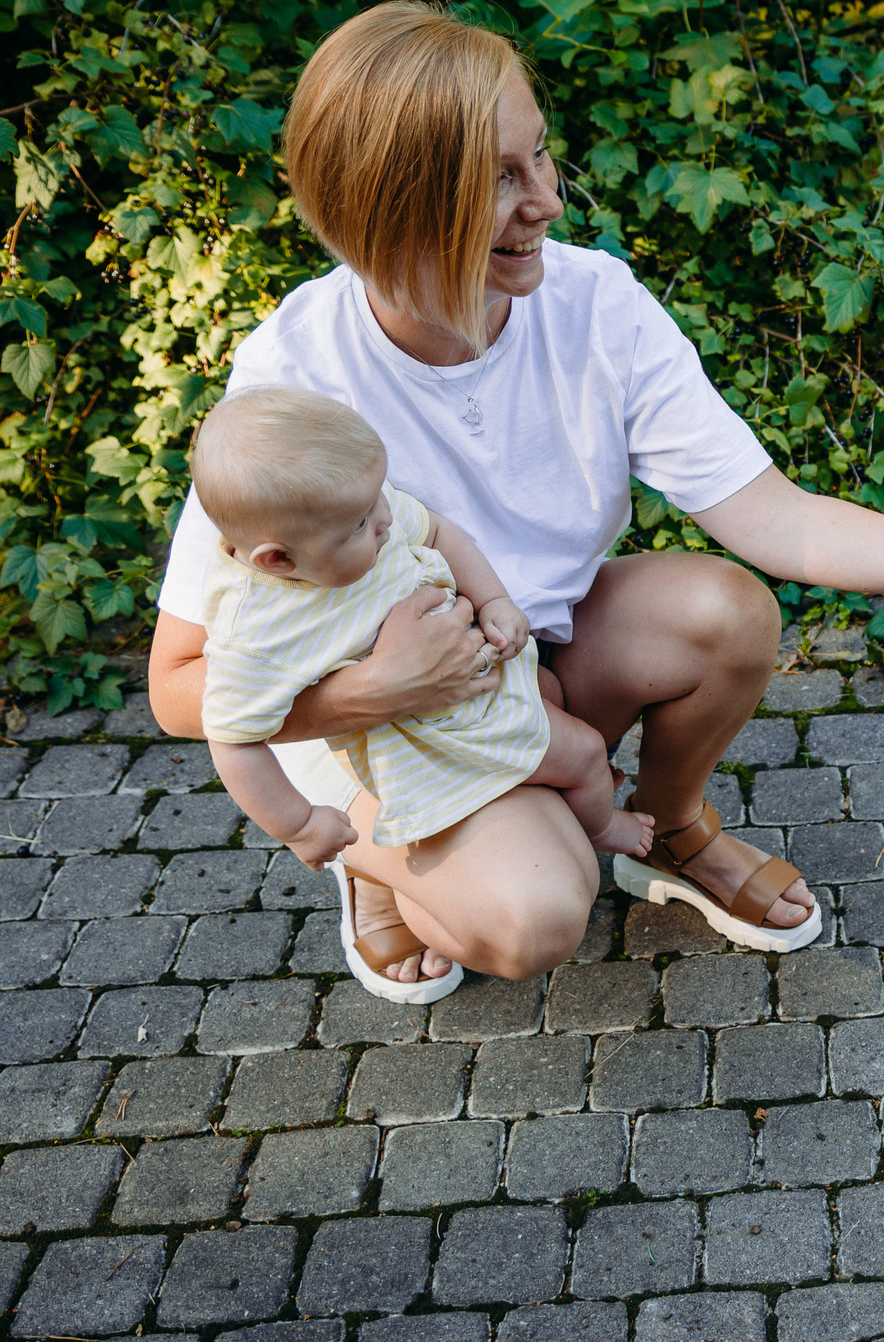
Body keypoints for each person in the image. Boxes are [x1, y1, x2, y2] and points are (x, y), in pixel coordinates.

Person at [146, 0, 884, 999]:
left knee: (724, 608)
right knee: (533, 915)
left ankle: (671, 831)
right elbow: (178, 686)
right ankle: (374, 856)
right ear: (402, 202)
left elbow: (774, 517)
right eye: (502, 178)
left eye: (542, 153)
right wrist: (378, 692)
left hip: (527, 661)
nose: (548, 199)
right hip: (394, 727)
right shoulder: (295, 378)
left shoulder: (593, 302)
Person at [190, 387, 665, 996]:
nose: (387, 520)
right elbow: (232, 739)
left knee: (570, 723)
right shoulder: (253, 629)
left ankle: (566, 827)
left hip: (485, 691)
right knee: (581, 757)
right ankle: (582, 832)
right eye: (363, 522)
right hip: (425, 749)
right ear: (278, 560)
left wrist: (493, 600)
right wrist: (300, 823)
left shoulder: (359, 517)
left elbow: (438, 530)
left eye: (378, 499)